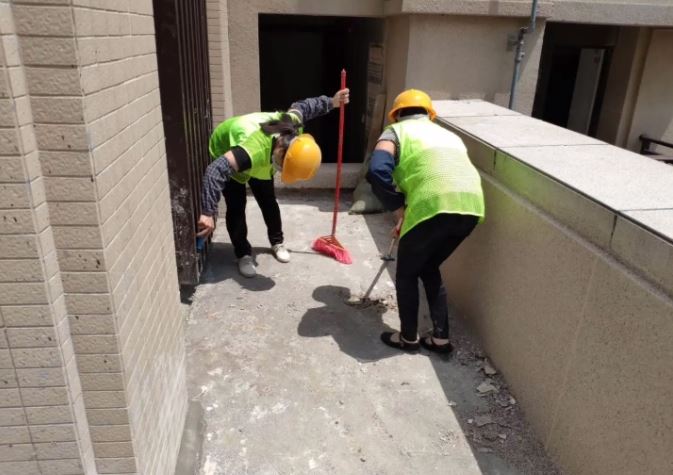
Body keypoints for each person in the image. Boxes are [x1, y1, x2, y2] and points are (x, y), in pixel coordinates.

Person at [366, 89, 485, 354]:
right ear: (430, 114)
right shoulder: (449, 135)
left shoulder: (395, 132)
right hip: (470, 207)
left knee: (407, 273)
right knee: (429, 266)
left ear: (397, 114)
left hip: (430, 205)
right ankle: (440, 339)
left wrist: (398, 209)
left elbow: (377, 171)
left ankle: (408, 338)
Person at [197, 89, 350, 277]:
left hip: (259, 153)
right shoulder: (254, 151)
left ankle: (277, 242)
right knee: (236, 205)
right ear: (280, 150)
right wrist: (207, 211)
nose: (282, 170)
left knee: (268, 200)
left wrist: (331, 101)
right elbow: (214, 170)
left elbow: (304, 106)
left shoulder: (292, 126)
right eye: (283, 165)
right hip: (227, 145)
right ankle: (243, 254)